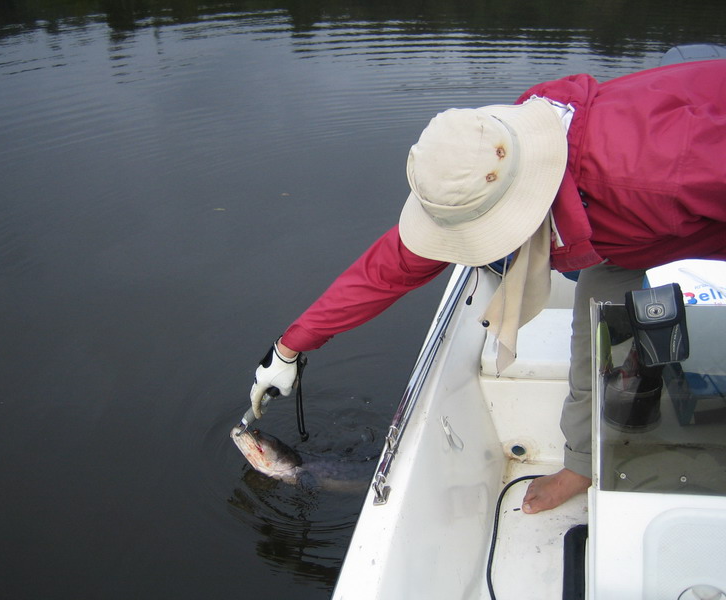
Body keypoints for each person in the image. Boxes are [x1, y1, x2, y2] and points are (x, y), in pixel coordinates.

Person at [248, 59, 726, 514]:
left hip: (670, 206)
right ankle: (583, 464)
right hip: (621, 237)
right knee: (595, 331)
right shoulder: (493, 160)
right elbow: (393, 264)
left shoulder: (665, 173)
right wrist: (290, 347)